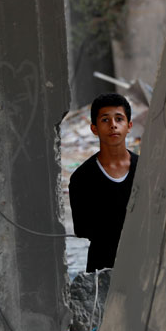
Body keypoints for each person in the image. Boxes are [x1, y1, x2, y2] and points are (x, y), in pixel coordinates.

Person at [68, 93, 138, 272]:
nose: (113, 125)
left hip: (142, 263)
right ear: (94, 128)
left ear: (129, 126)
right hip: (103, 266)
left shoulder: (144, 170)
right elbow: (82, 229)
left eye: (119, 119)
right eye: (105, 120)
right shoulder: (82, 178)